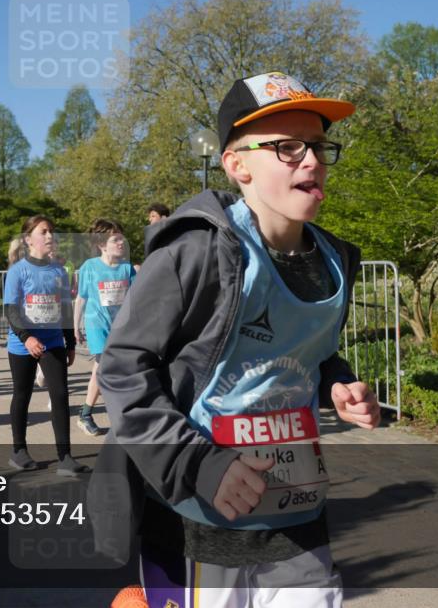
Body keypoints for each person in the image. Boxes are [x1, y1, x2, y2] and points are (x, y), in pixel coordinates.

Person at [96, 72, 382, 607]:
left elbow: (306, 356)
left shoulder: (336, 260)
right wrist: (199, 464)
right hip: (197, 514)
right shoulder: (196, 254)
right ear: (237, 165)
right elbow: (123, 369)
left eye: (318, 146)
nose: (311, 159)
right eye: (287, 147)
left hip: (295, 509)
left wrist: (337, 385)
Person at [3, 215, 88, 477]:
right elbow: (11, 310)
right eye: (44, 231)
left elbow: (64, 308)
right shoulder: (18, 271)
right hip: (22, 343)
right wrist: (27, 337)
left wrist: (70, 342)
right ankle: (19, 451)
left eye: (52, 231)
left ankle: (65, 458)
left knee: (60, 396)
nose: (51, 236)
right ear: (29, 240)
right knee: (23, 394)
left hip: (52, 342)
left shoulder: (59, 271)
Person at [73, 219, 135, 436]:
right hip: (96, 325)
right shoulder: (89, 267)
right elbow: (81, 299)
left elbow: (135, 298)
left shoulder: (126, 268)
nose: (121, 242)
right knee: (104, 367)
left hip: (119, 327)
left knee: (103, 371)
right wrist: (76, 327)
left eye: (121, 238)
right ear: (102, 244)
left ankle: (86, 414)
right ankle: (104, 415)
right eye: (115, 239)